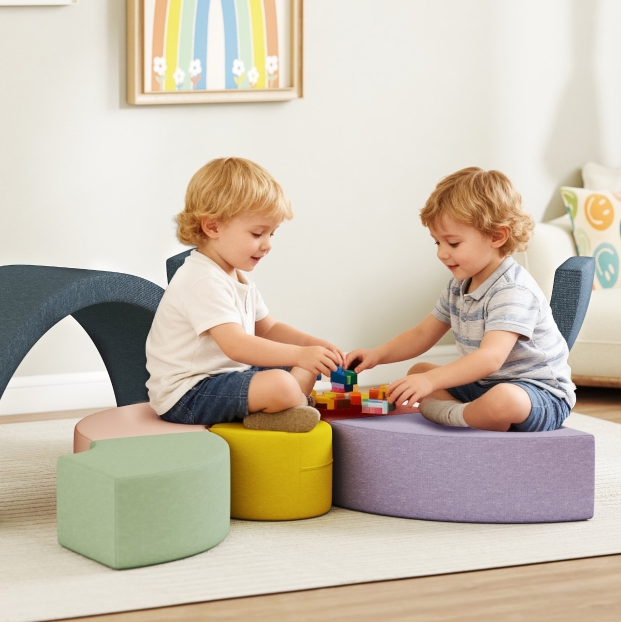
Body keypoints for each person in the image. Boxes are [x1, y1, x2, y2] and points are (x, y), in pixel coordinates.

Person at [345, 167, 575, 432]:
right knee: (418, 372)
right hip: (484, 385)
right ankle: (472, 415)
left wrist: (432, 382)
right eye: (437, 243)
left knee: (502, 399)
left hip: (540, 394)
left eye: (453, 243)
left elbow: (490, 358)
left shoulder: (513, 290)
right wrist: (377, 355)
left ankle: (459, 416)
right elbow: (422, 334)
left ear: (497, 236)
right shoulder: (459, 285)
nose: (442, 253)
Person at [146, 157, 344, 433]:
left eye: (272, 234)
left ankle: (285, 408)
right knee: (282, 382)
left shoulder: (236, 277)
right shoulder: (202, 279)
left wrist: (315, 347)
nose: (267, 244)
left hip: (229, 377)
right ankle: (295, 403)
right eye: (257, 233)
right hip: (188, 395)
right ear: (213, 227)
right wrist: (301, 354)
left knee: (303, 367)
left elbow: (270, 329)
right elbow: (236, 346)